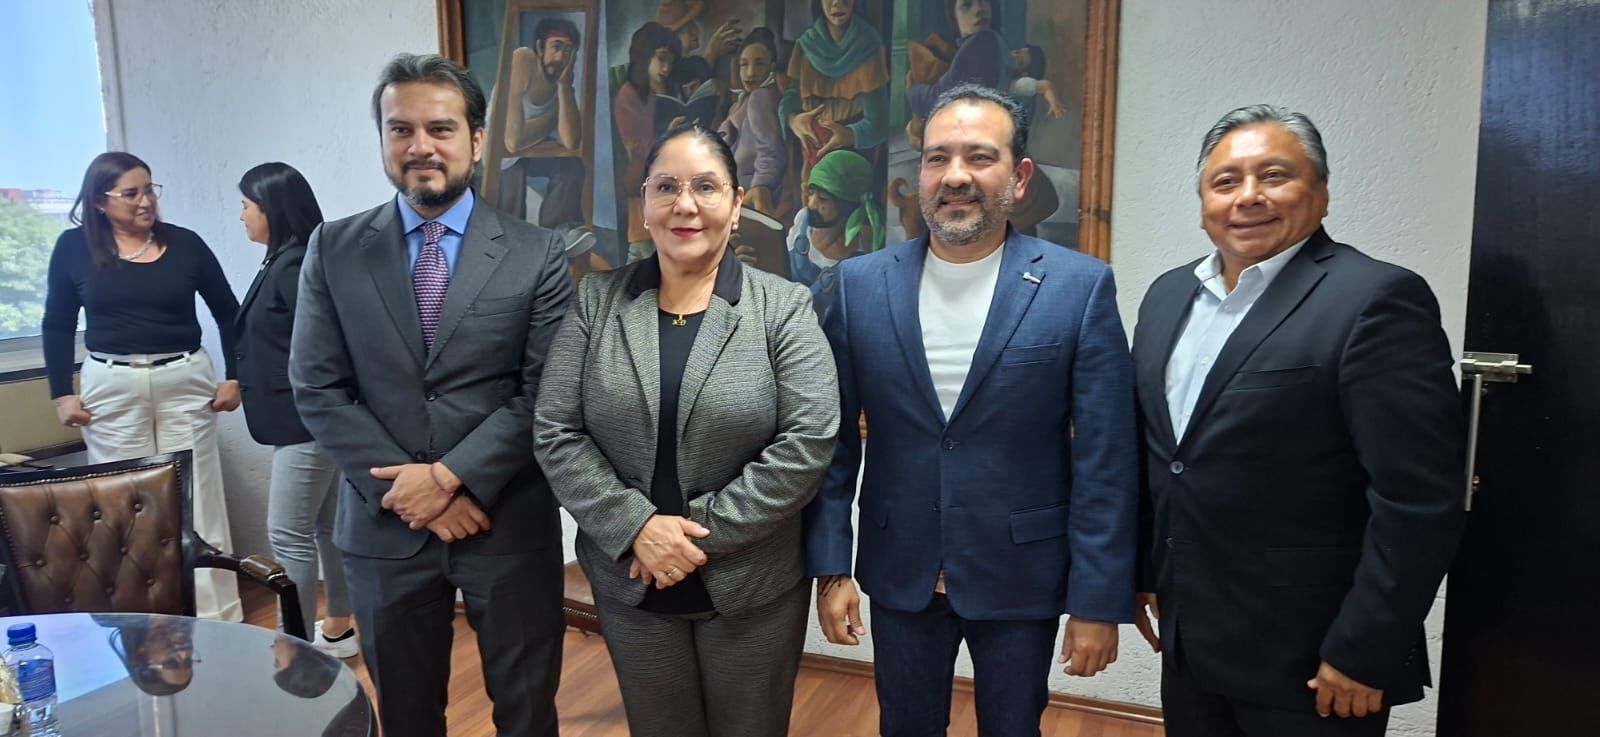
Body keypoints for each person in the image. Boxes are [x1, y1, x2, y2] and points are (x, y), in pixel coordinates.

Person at [804, 84, 1139, 736]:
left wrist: (1098, 599)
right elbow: (831, 443)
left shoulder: (1078, 287)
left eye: (979, 157)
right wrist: (829, 567)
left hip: (1022, 572)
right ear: (920, 174)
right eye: (938, 158)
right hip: (900, 566)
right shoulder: (858, 285)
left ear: (1019, 176)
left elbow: (1107, 457)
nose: (955, 175)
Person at [1129, 105, 1466, 737]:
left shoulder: (1375, 300)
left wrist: (1366, 647)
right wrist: (1144, 572)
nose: (1247, 196)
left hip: (1316, 657)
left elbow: (1418, 498)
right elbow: (1162, 455)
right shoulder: (1168, 296)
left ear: (1322, 192)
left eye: (1274, 175)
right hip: (1192, 640)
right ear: (1203, 203)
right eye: (1225, 181)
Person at [288, 53, 573, 737]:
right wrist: (407, 490)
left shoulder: (537, 252)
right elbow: (317, 386)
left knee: (528, 715)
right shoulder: (332, 248)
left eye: (440, 129)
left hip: (504, 520)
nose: (421, 146)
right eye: (401, 129)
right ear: (383, 139)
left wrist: (447, 479)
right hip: (384, 528)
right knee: (407, 719)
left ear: (476, 139)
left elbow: (547, 390)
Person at [534, 124, 839, 737]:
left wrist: (694, 537)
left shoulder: (782, 306)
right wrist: (637, 528)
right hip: (632, 580)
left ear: (737, 203)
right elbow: (556, 430)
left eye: (705, 186)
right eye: (666, 187)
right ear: (644, 204)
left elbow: (808, 440)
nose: (685, 204)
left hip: (751, 585)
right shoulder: (597, 300)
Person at [41, 152, 244, 623]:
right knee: (121, 500)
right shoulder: (73, 248)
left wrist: (236, 377)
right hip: (111, 385)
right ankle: (137, 619)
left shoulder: (186, 244)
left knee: (196, 496)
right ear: (99, 202)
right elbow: (56, 324)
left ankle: (218, 619)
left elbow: (230, 313)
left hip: (184, 380)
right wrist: (61, 393)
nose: (145, 201)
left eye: (150, 189)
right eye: (130, 193)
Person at [233, 161, 357, 658]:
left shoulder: (294, 266)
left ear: (272, 209)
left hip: (305, 423)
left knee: (287, 534)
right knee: (325, 528)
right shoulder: (287, 260)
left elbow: (326, 346)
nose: (241, 215)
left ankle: (296, 646)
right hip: (305, 421)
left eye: (246, 205)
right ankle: (338, 627)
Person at [497, 16, 588, 244]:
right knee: (512, 177)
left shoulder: (561, 82)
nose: (561, 57)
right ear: (539, 47)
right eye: (556, 46)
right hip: (501, 157)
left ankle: (558, 232)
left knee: (571, 165)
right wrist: (549, 120)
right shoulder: (523, 60)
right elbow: (513, 141)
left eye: (568, 51)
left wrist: (564, 87)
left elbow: (571, 142)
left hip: (532, 152)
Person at [780, 0, 890, 187]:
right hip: (810, 152)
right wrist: (793, 120)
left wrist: (849, 135)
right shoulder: (807, 44)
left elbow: (879, 122)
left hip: (853, 158)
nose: (837, 2)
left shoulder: (868, 44)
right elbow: (790, 95)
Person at [615, 22, 683, 262]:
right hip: (638, 182)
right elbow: (639, 147)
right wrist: (669, 135)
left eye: (670, 63)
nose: (666, 69)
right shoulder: (628, 96)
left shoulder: (658, 93)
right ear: (644, 56)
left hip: (661, 179)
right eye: (661, 59)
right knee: (644, 252)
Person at [785, 149, 880, 319]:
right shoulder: (802, 220)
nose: (812, 204)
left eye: (823, 199)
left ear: (845, 205)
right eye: (811, 194)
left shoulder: (862, 255)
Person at [718, 28, 787, 217]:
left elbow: (770, 150)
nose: (750, 73)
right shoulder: (741, 102)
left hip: (749, 192)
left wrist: (761, 187)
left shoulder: (761, 97)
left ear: (771, 67)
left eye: (759, 64)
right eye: (743, 65)